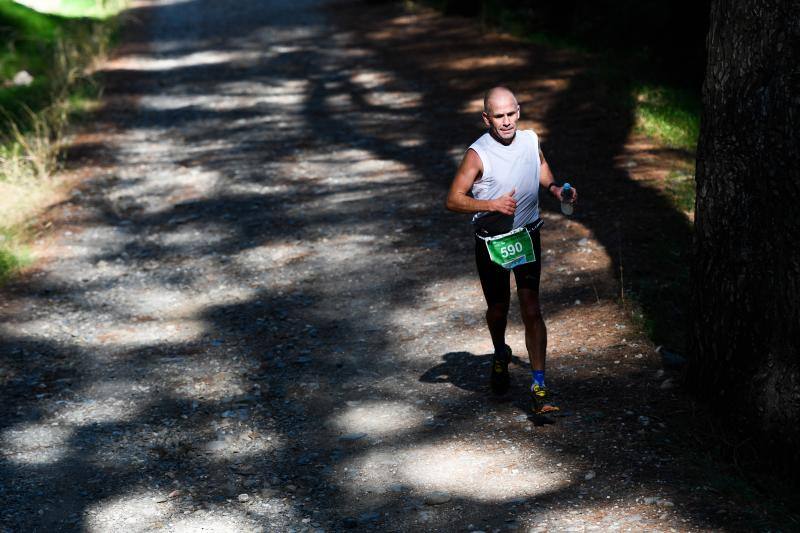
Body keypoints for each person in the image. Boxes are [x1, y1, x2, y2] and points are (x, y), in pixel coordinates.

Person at [445, 86, 577, 414]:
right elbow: (453, 199)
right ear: (486, 118)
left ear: (518, 112)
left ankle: (539, 383)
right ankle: (500, 351)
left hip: (527, 235)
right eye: (498, 116)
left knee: (532, 308)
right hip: (493, 242)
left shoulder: (530, 139)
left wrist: (554, 188)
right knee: (498, 309)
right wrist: (491, 204)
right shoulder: (478, 153)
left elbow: (540, 165)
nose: (506, 122)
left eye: (510, 114)